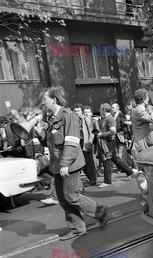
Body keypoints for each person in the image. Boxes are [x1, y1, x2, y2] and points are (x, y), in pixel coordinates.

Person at [38, 86, 108, 240]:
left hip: (69, 164)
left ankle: (100, 211)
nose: (42, 103)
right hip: (57, 165)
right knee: (63, 199)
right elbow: (50, 143)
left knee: (71, 196)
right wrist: (39, 130)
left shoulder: (68, 116)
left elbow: (71, 142)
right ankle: (77, 228)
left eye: (45, 99)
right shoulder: (51, 118)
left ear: (54, 99)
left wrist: (65, 164)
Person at [97, 103, 136, 188]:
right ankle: (129, 171)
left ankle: (107, 181)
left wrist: (101, 135)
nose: (99, 110)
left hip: (109, 142)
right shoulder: (106, 118)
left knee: (106, 160)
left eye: (100, 109)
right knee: (115, 159)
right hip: (108, 142)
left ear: (104, 110)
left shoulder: (109, 119)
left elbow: (113, 131)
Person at [130, 89, 153, 163]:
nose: (148, 99)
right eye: (147, 97)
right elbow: (152, 119)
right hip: (144, 143)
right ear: (143, 99)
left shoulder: (141, 109)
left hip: (148, 141)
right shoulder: (139, 110)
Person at [72, 104, 98, 186]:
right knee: (82, 162)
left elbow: (92, 132)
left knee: (89, 162)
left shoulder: (86, 119)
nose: (76, 112)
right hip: (78, 142)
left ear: (81, 111)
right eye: (75, 111)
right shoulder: (74, 120)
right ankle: (90, 178)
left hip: (85, 142)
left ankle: (93, 179)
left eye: (78, 111)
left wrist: (90, 142)